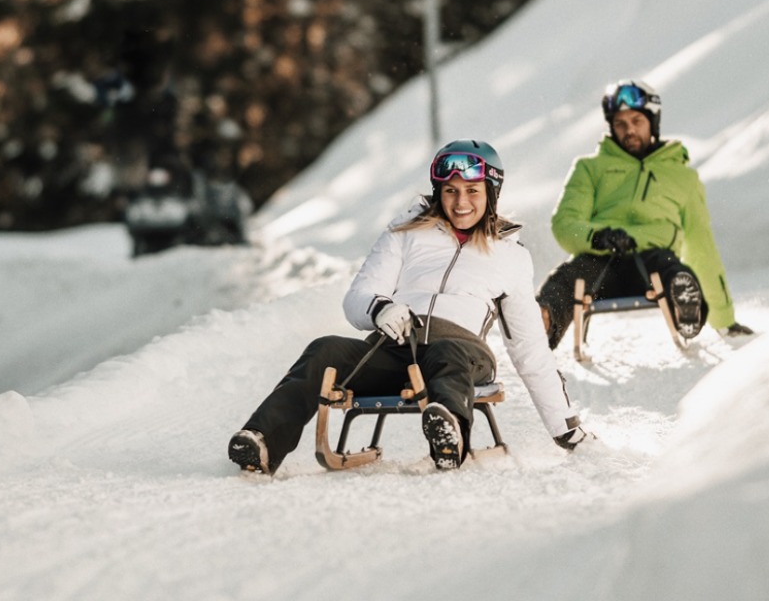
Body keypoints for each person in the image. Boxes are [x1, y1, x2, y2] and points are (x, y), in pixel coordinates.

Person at [229, 140, 588, 475]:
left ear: (491, 193)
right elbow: (358, 296)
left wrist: (565, 428)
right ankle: (262, 441)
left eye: (472, 191)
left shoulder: (510, 256)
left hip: (462, 354)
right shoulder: (406, 232)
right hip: (395, 348)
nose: (460, 202)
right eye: (450, 191)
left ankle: (450, 435)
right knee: (325, 349)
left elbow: (529, 349)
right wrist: (379, 309)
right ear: (439, 192)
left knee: (447, 353)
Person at [537, 79, 753, 349]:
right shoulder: (589, 168)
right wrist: (598, 237)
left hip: (652, 262)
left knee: (672, 268)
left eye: (637, 121)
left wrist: (726, 320)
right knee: (571, 275)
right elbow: (564, 223)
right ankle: (541, 322)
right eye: (620, 124)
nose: (629, 130)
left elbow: (701, 244)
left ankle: (687, 309)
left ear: (653, 120)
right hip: (601, 262)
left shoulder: (682, 176)